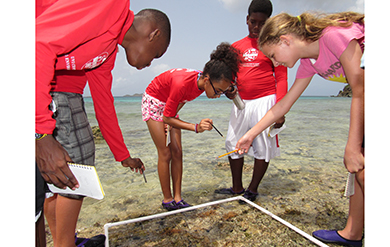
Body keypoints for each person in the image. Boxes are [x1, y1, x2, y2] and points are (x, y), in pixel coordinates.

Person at [35, 0, 171, 245]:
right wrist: (41, 135)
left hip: (57, 92)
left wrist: (122, 155)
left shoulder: (106, 51)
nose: (151, 63)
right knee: (76, 168)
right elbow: (37, 44)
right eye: (157, 54)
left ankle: (61, 240)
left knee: (48, 184)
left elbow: (104, 104)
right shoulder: (109, 5)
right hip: (46, 89)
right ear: (154, 34)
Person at [236, 12, 364, 246]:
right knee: (359, 171)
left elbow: (360, 88)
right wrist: (250, 134)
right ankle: (353, 233)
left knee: (363, 168)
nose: (275, 63)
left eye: (273, 56)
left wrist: (353, 146)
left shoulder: (333, 36)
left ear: (285, 40)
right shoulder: (308, 62)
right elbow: (283, 104)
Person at [142, 43, 240, 210]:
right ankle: (167, 199)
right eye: (218, 91)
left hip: (169, 107)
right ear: (207, 80)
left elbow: (179, 102)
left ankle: (178, 198)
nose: (218, 95)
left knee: (178, 151)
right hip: (153, 101)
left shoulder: (200, 84)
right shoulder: (183, 83)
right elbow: (168, 113)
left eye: (222, 92)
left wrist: (170, 121)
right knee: (165, 153)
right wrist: (195, 127)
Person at [214, 0, 287, 202]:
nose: (256, 27)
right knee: (232, 142)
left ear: (269, 22)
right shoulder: (236, 47)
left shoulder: (274, 46)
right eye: (253, 21)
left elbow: (281, 78)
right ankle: (237, 187)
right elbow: (230, 78)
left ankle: (252, 190)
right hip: (241, 102)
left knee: (263, 147)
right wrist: (229, 90)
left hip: (266, 101)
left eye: (262, 23)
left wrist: (280, 109)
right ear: (247, 20)